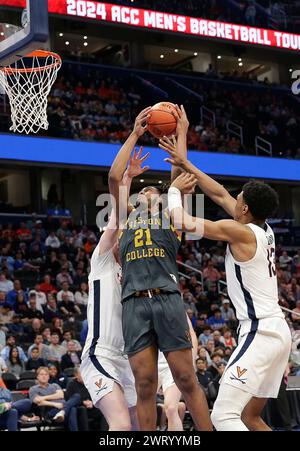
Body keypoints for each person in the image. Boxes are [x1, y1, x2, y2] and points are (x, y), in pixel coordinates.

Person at [160, 128, 292, 431]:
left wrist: (174, 190)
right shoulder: (262, 228)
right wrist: (186, 161)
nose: (234, 199)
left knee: (223, 416)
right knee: (249, 417)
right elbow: (218, 192)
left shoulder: (241, 231)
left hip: (261, 332)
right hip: (276, 332)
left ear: (244, 209)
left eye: (240, 198)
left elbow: (182, 221)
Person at [115, 106, 212, 431]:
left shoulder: (172, 219)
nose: (146, 192)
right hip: (133, 303)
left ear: (162, 201)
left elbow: (177, 174)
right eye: (142, 190)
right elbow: (115, 177)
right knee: (144, 386)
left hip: (167, 298)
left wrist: (181, 133)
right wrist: (135, 133)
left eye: (152, 191)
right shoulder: (123, 219)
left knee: (186, 379)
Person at [81, 121, 151, 431]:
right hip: (101, 354)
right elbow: (113, 184)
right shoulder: (104, 258)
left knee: (138, 425)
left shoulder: (135, 269)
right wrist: (135, 136)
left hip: (129, 357)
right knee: (120, 426)